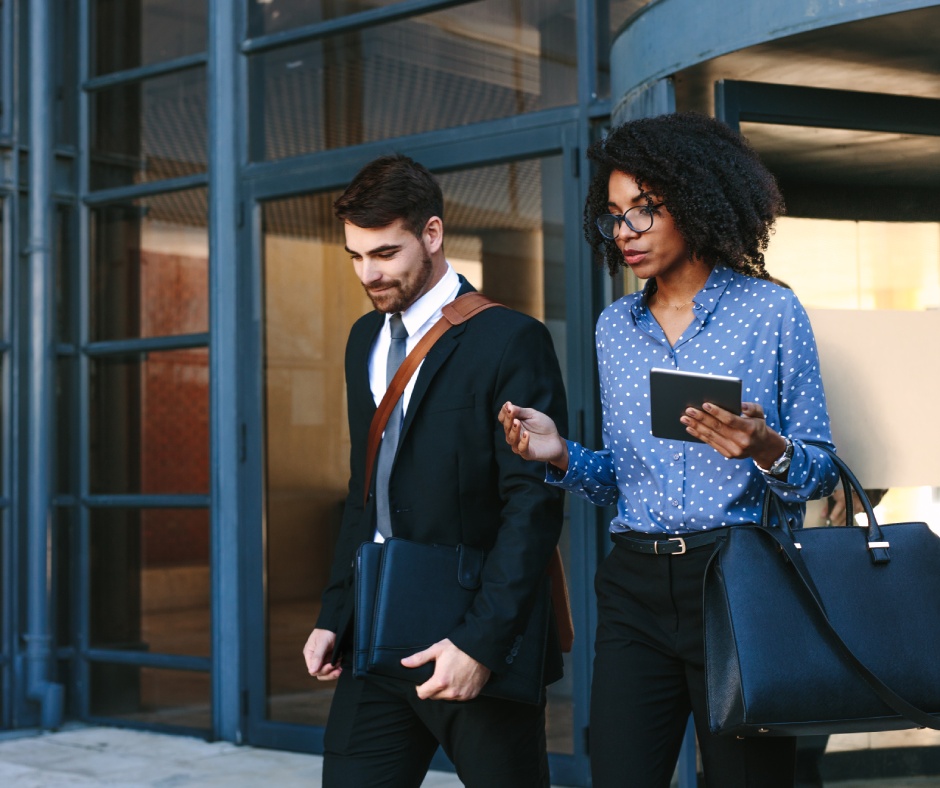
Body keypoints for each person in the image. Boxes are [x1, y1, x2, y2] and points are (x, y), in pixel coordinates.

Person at [499, 112, 840, 788]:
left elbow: (819, 471)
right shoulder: (613, 328)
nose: (625, 232)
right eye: (615, 215)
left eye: (645, 211)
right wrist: (561, 453)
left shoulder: (771, 312)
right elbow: (624, 480)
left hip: (739, 582)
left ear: (697, 201)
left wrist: (765, 447)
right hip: (634, 586)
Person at [302, 153, 568, 788]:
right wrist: (333, 614)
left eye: (386, 253)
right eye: (357, 257)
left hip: (474, 635)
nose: (370, 274)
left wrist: (480, 644)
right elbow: (362, 490)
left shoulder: (510, 339)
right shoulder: (363, 340)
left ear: (432, 234)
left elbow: (531, 506)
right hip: (375, 631)